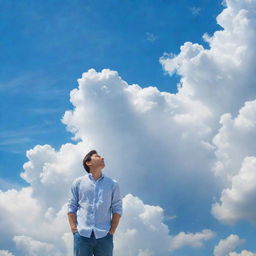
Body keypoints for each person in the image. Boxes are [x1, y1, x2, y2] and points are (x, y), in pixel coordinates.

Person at [67, 150, 123, 256]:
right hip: (82, 235)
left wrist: (111, 232)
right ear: (88, 163)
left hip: (105, 236)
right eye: (97, 156)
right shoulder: (78, 183)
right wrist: (74, 230)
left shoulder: (112, 184)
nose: (102, 158)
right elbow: (72, 207)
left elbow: (117, 208)